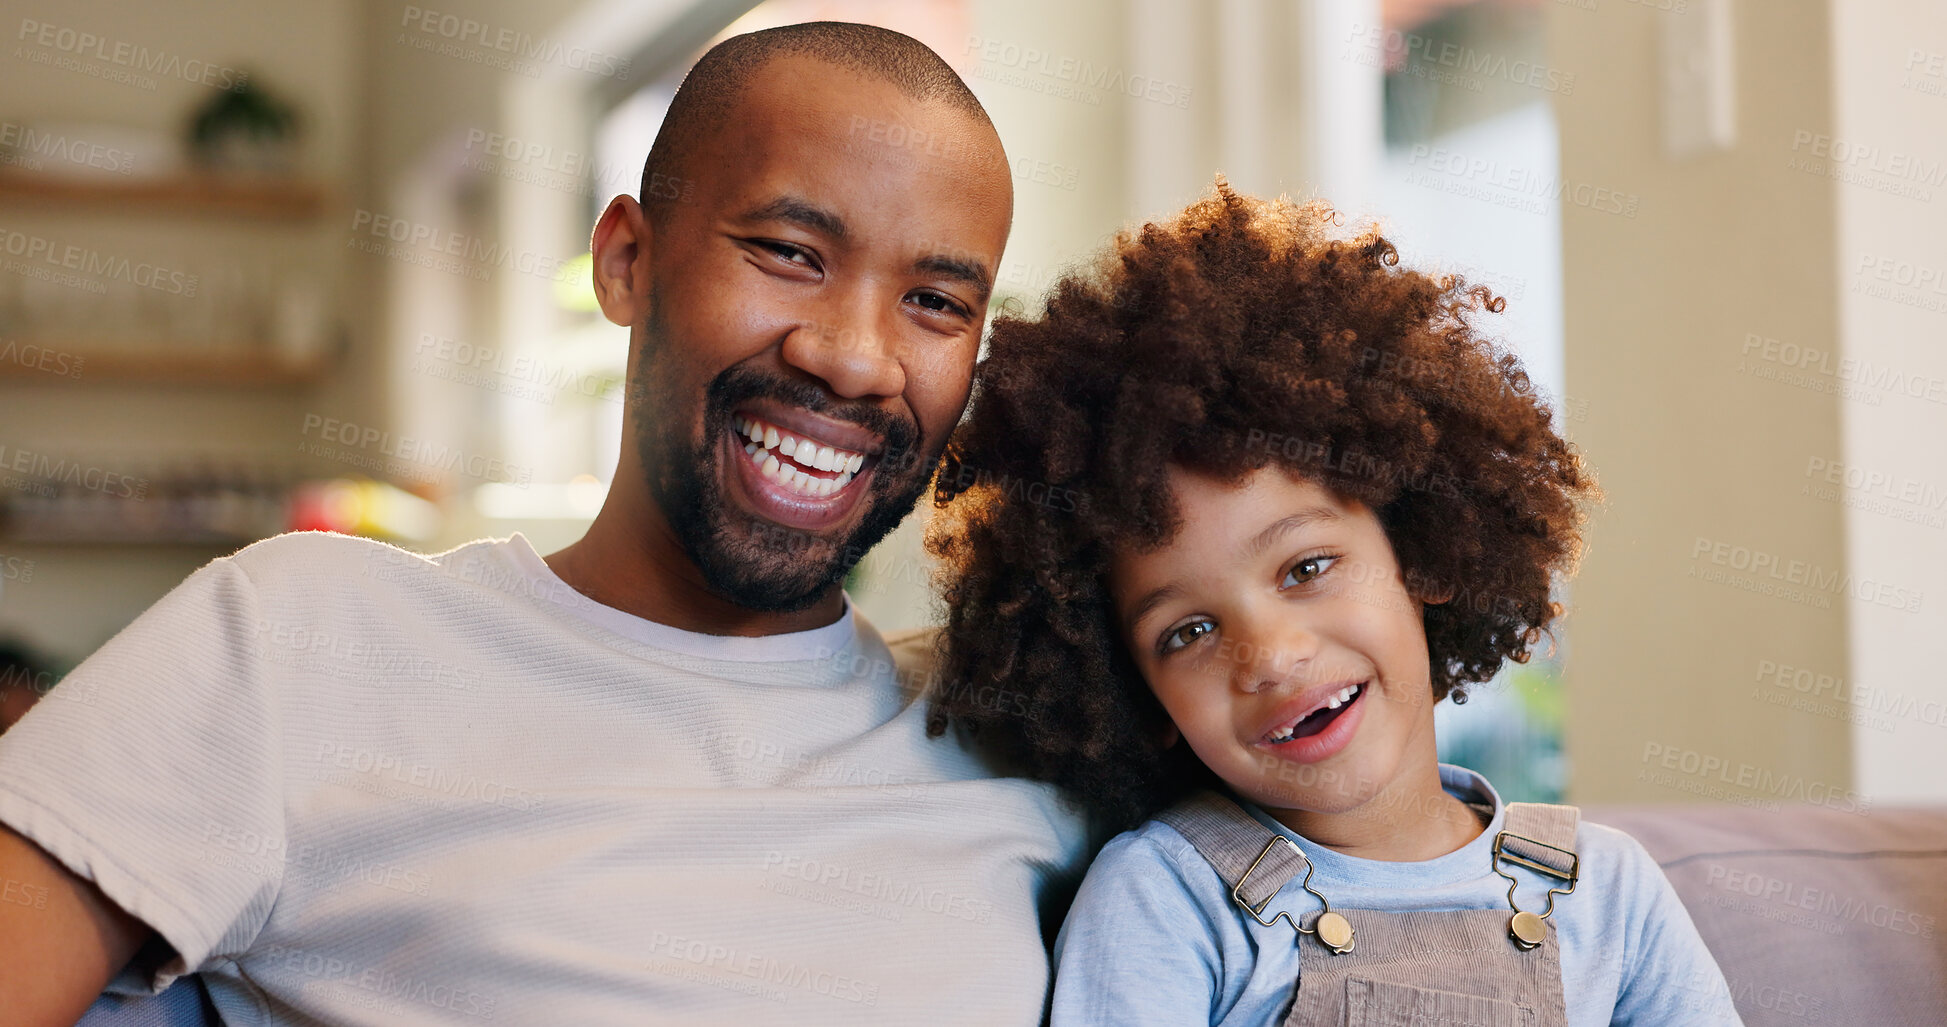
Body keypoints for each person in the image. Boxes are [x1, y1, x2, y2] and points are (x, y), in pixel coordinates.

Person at [0, 23, 1088, 1027]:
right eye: (789, 252)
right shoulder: (300, 641)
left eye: (938, 302)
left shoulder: (1026, 736)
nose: (854, 355)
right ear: (627, 260)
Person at [925, 183, 1742, 1025]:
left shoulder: (1606, 891)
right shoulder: (1169, 899)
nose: (1271, 654)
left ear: (1421, 554)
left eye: (1306, 566)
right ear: (1136, 692)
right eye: (1189, 630)